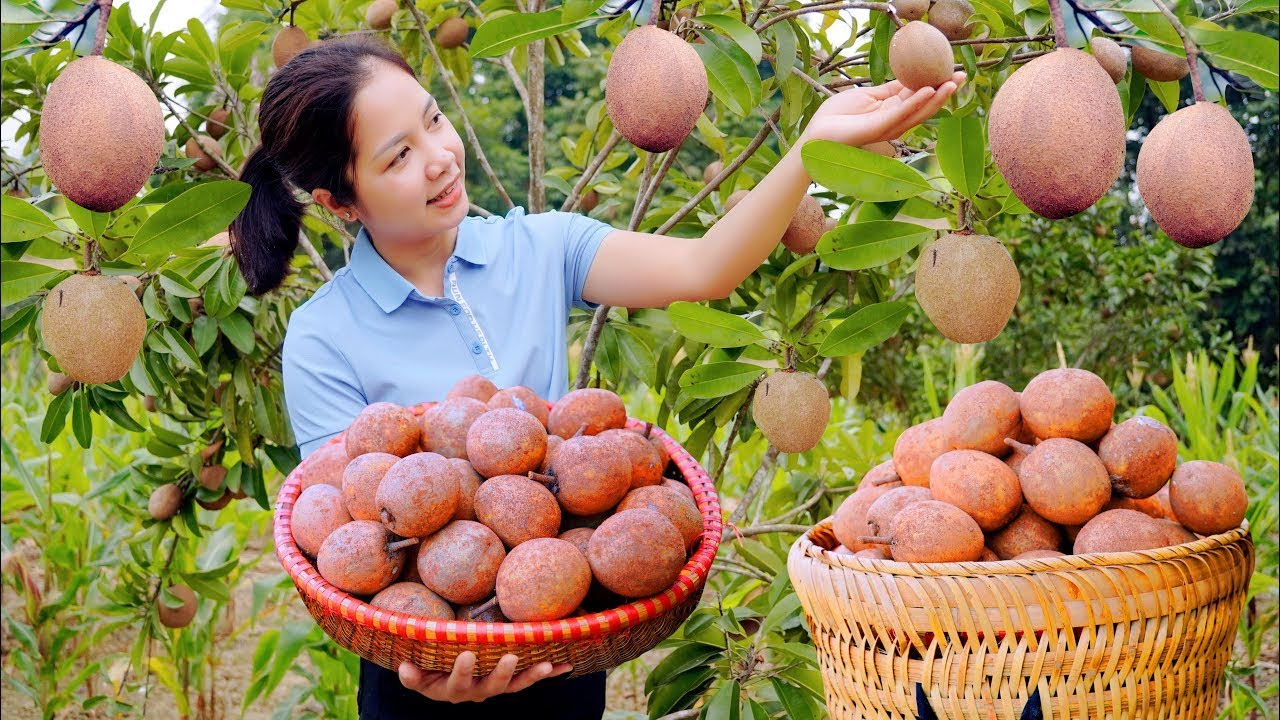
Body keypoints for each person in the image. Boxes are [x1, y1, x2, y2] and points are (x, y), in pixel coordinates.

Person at [230, 32, 961, 720]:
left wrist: (808, 151)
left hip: (567, 642)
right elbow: (339, 539)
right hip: (422, 677)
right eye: (397, 157)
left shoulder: (539, 249)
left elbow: (706, 266)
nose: (440, 158)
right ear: (339, 200)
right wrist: (425, 670)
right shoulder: (324, 335)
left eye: (434, 120)